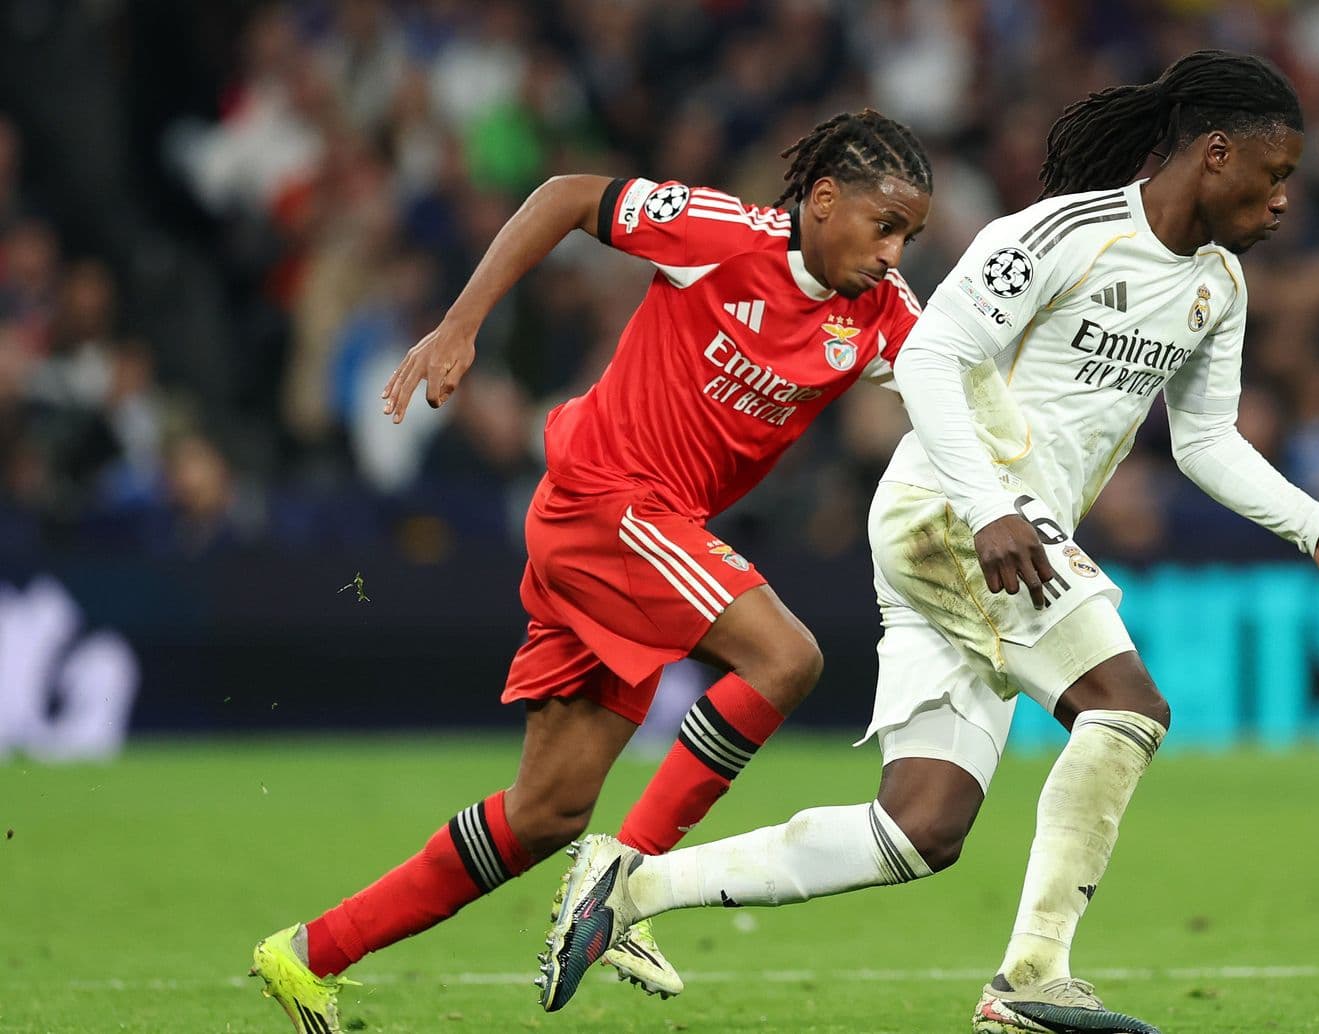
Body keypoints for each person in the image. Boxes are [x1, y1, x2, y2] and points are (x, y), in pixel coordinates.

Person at [537, 51, 1319, 1034]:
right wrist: (988, 503)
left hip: (1000, 537)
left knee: (919, 828)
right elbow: (936, 357)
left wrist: (1316, 525)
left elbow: (1203, 440)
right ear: (1214, 154)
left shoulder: (1216, 288)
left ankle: (631, 885)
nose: (1284, 198)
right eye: (1274, 172)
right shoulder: (1059, 234)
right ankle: (1034, 971)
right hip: (956, 513)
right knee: (1127, 705)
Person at [248, 109, 933, 1034]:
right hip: (606, 504)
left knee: (546, 812)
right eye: (884, 226)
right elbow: (568, 197)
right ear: (821, 200)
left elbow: (963, 394)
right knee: (787, 657)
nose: (895, 252)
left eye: (910, 236)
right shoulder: (721, 235)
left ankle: (306, 955)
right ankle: (628, 879)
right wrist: (460, 326)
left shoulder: (884, 316)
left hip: (645, 531)